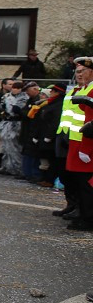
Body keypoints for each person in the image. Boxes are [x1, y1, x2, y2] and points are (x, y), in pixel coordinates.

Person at [53, 58, 93, 228]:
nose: (79, 75)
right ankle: (81, 212)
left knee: (86, 184)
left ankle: (87, 218)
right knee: (77, 181)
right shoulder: (81, 90)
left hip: (85, 142)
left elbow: (90, 122)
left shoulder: (90, 92)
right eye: (77, 72)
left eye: (82, 71)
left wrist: (85, 148)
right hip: (74, 140)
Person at [0, 80, 29, 175]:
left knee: (15, 147)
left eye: (17, 88)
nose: (14, 90)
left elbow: (23, 112)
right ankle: (7, 166)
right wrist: (2, 109)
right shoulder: (6, 97)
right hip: (7, 123)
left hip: (17, 124)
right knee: (6, 147)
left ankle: (18, 168)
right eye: (13, 87)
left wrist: (18, 111)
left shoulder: (24, 98)